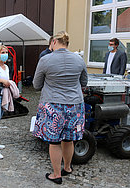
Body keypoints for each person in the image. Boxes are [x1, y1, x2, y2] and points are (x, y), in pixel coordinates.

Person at [32, 31, 88, 185]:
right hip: (75, 106)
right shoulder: (79, 60)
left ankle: (56, 174)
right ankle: (68, 167)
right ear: (67, 43)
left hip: (53, 106)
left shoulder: (45, 60)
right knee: (69, 139)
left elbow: (36, 85)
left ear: (54, 42)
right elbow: (84, 83)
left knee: (54, 141)